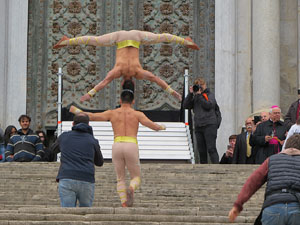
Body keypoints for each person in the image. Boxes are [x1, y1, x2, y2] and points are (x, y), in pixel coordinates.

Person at [69, 85, 166, 207]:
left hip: (117, 144)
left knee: (120, 177)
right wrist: (162, 127)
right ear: (133, 101)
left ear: (120, 101)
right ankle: (131, 187)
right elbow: (154, 126)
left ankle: (124, 203)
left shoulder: (112, 113)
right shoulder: (137, 114)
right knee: (136, 176)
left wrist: (76, 110)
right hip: (131, 144)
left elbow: (92, 116)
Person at [53, 30, 200, 102]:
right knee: (162, 37)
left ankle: (67, 40)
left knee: (95, 40)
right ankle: (185, 41)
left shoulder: (138, 72)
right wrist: (89, 94)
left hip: (133, 37)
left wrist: (174, 93)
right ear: (122, 82)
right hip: (124, 38)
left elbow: (156, 79)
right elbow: (102, 83)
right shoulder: (118, 72)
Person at [229, 134, 300, 225]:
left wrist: (238, 205)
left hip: (273, 207)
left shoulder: (271, 160)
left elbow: (253, 181)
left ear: (286, 146)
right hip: (297, 208)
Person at [54, 113, 104, 207]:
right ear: (88, 125)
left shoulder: (64, 136)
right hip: (86, 178)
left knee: (68, 212)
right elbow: (99, 162)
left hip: (67, 176)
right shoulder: (92, 140)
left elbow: (53, 150)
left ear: (73, 124)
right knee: (85, 211)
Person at [183, 77, 220, 164]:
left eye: (201, 85)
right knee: (201, 150)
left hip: (209, 125)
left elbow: (209, 105)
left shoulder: (210, 95)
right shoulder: (195, 97)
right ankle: (203, 168)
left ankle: (217, 167)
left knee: (211, 148)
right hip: (199, 126)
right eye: (197, 85)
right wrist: (190, 94)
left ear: (204, 85)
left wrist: (199, 95)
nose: (199, 87)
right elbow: (186, 106)